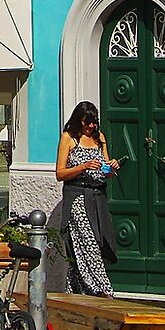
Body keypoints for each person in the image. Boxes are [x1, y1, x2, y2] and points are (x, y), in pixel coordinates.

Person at [53, 101, 117, 296]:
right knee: (86, 242)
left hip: (97, 197)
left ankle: (75, 291)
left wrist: (111, 168)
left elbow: (105, 169)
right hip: (78, 197)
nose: (91, 126)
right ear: (79, 120)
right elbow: (60, 173)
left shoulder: (100, 139)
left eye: (94, 122)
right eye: (87, 122)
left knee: (95, 242)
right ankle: (104, 291)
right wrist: (83, 166)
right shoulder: (69, 138)